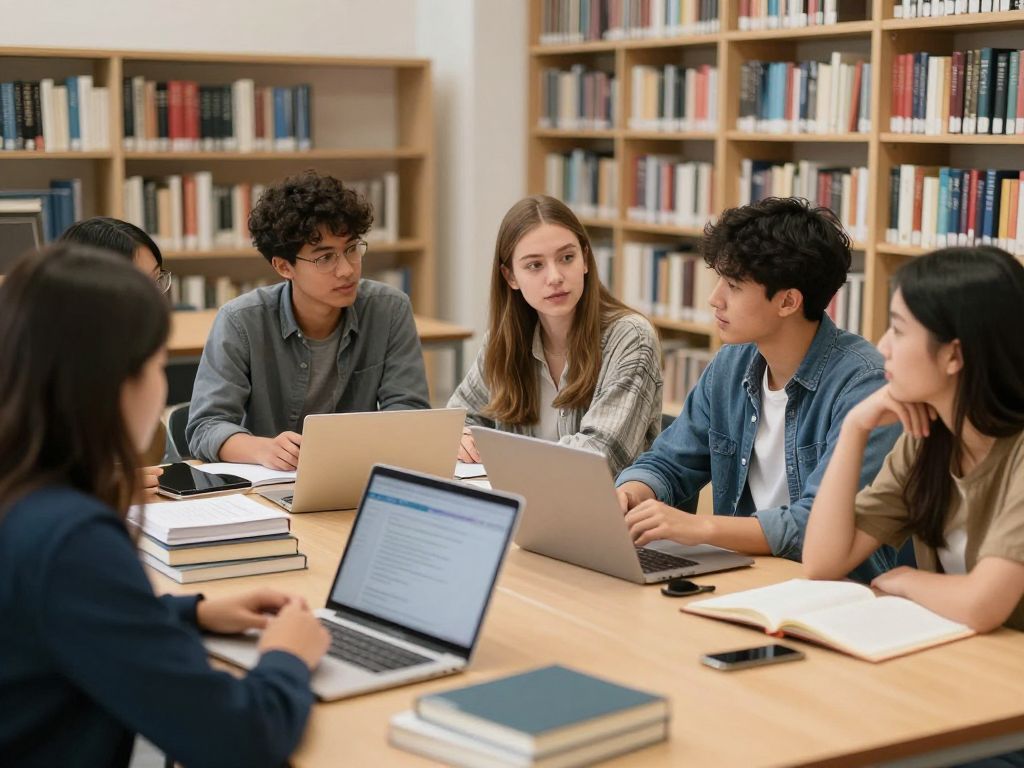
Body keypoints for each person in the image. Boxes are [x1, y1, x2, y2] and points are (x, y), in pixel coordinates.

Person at [0, 244, 328, 767]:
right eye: (157, 366)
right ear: (108, 382)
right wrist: (287, 657)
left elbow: (57, 615)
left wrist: (190, 613)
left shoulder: (22, 492)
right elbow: (240, 739)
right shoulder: (69, 536)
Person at [616, 197, 899, 582]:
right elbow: (669, 463)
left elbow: (815, 525)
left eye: (732, 285)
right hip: (748, 577)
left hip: (840, 592)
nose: (714, 298)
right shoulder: (730, 366)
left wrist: (702, 528)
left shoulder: (864, 385)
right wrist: (633, 491)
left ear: (788, 301)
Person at [803, 246, 1024, 633]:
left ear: (954, 356)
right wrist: (855, 428)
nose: (883, 346)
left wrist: (906, 580)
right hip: (964, 656)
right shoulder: (929, 435)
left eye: (899, 330)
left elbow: (982, 605)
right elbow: (822, 561)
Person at [186, 170, 430, 469]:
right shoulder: (241, 321)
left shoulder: (389, 309)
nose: (347, 270)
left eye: (352, 249)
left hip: (356, 476)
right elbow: (206, 426)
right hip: (269, 485)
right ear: (284, 267)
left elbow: (409, 412)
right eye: (325, 258)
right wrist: (262, 449)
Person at [447, 195, 662, 476]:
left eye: (567, 258)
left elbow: (599, 456)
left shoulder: (630, 338)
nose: (555, 276)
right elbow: (456, 421)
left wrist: (502, 454)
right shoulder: (505, 340)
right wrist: (461, 438)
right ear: (510, 277)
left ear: (585, 259)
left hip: (603, 513)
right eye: (535, 265)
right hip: (523, 505)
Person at [60, 216, 173, 492]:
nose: (155, 297)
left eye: (157, 280)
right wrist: (97, 487)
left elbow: (159, 465)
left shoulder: (130, 362)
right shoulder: (43, 376)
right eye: (138, 283)